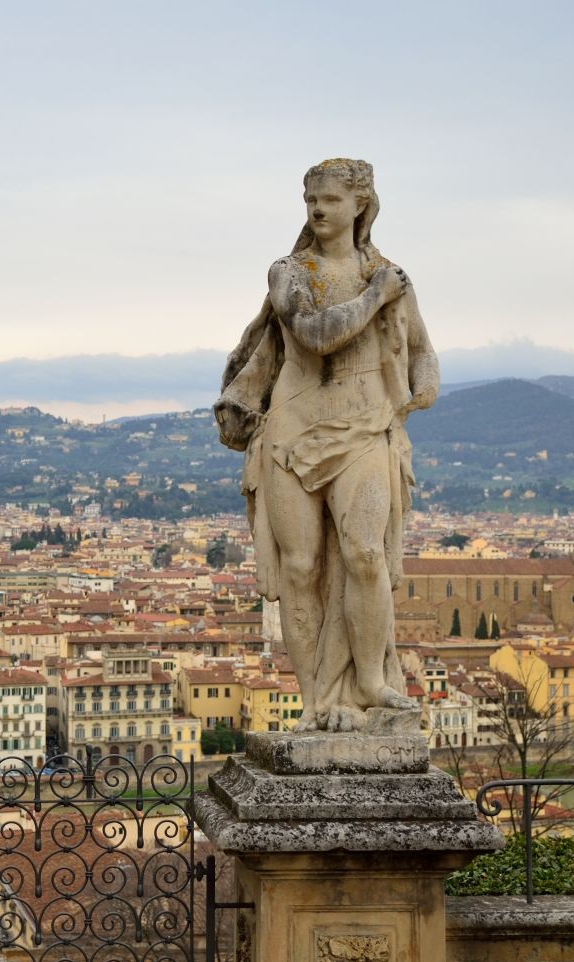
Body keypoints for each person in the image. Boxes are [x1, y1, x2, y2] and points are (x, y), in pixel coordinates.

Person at [214, 158, 438, 733]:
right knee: (300, 565)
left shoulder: (391, 275)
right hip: (292, 432)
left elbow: (419, 347)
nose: (317, 209)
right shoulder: (289, 273)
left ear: (360, 205)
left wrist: (427, 379)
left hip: (364, 426)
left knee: (364, 554)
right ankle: (317, 697)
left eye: (330, 200)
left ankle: (368, 679)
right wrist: (374, 299)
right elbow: (314, 337)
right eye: (309, 199)